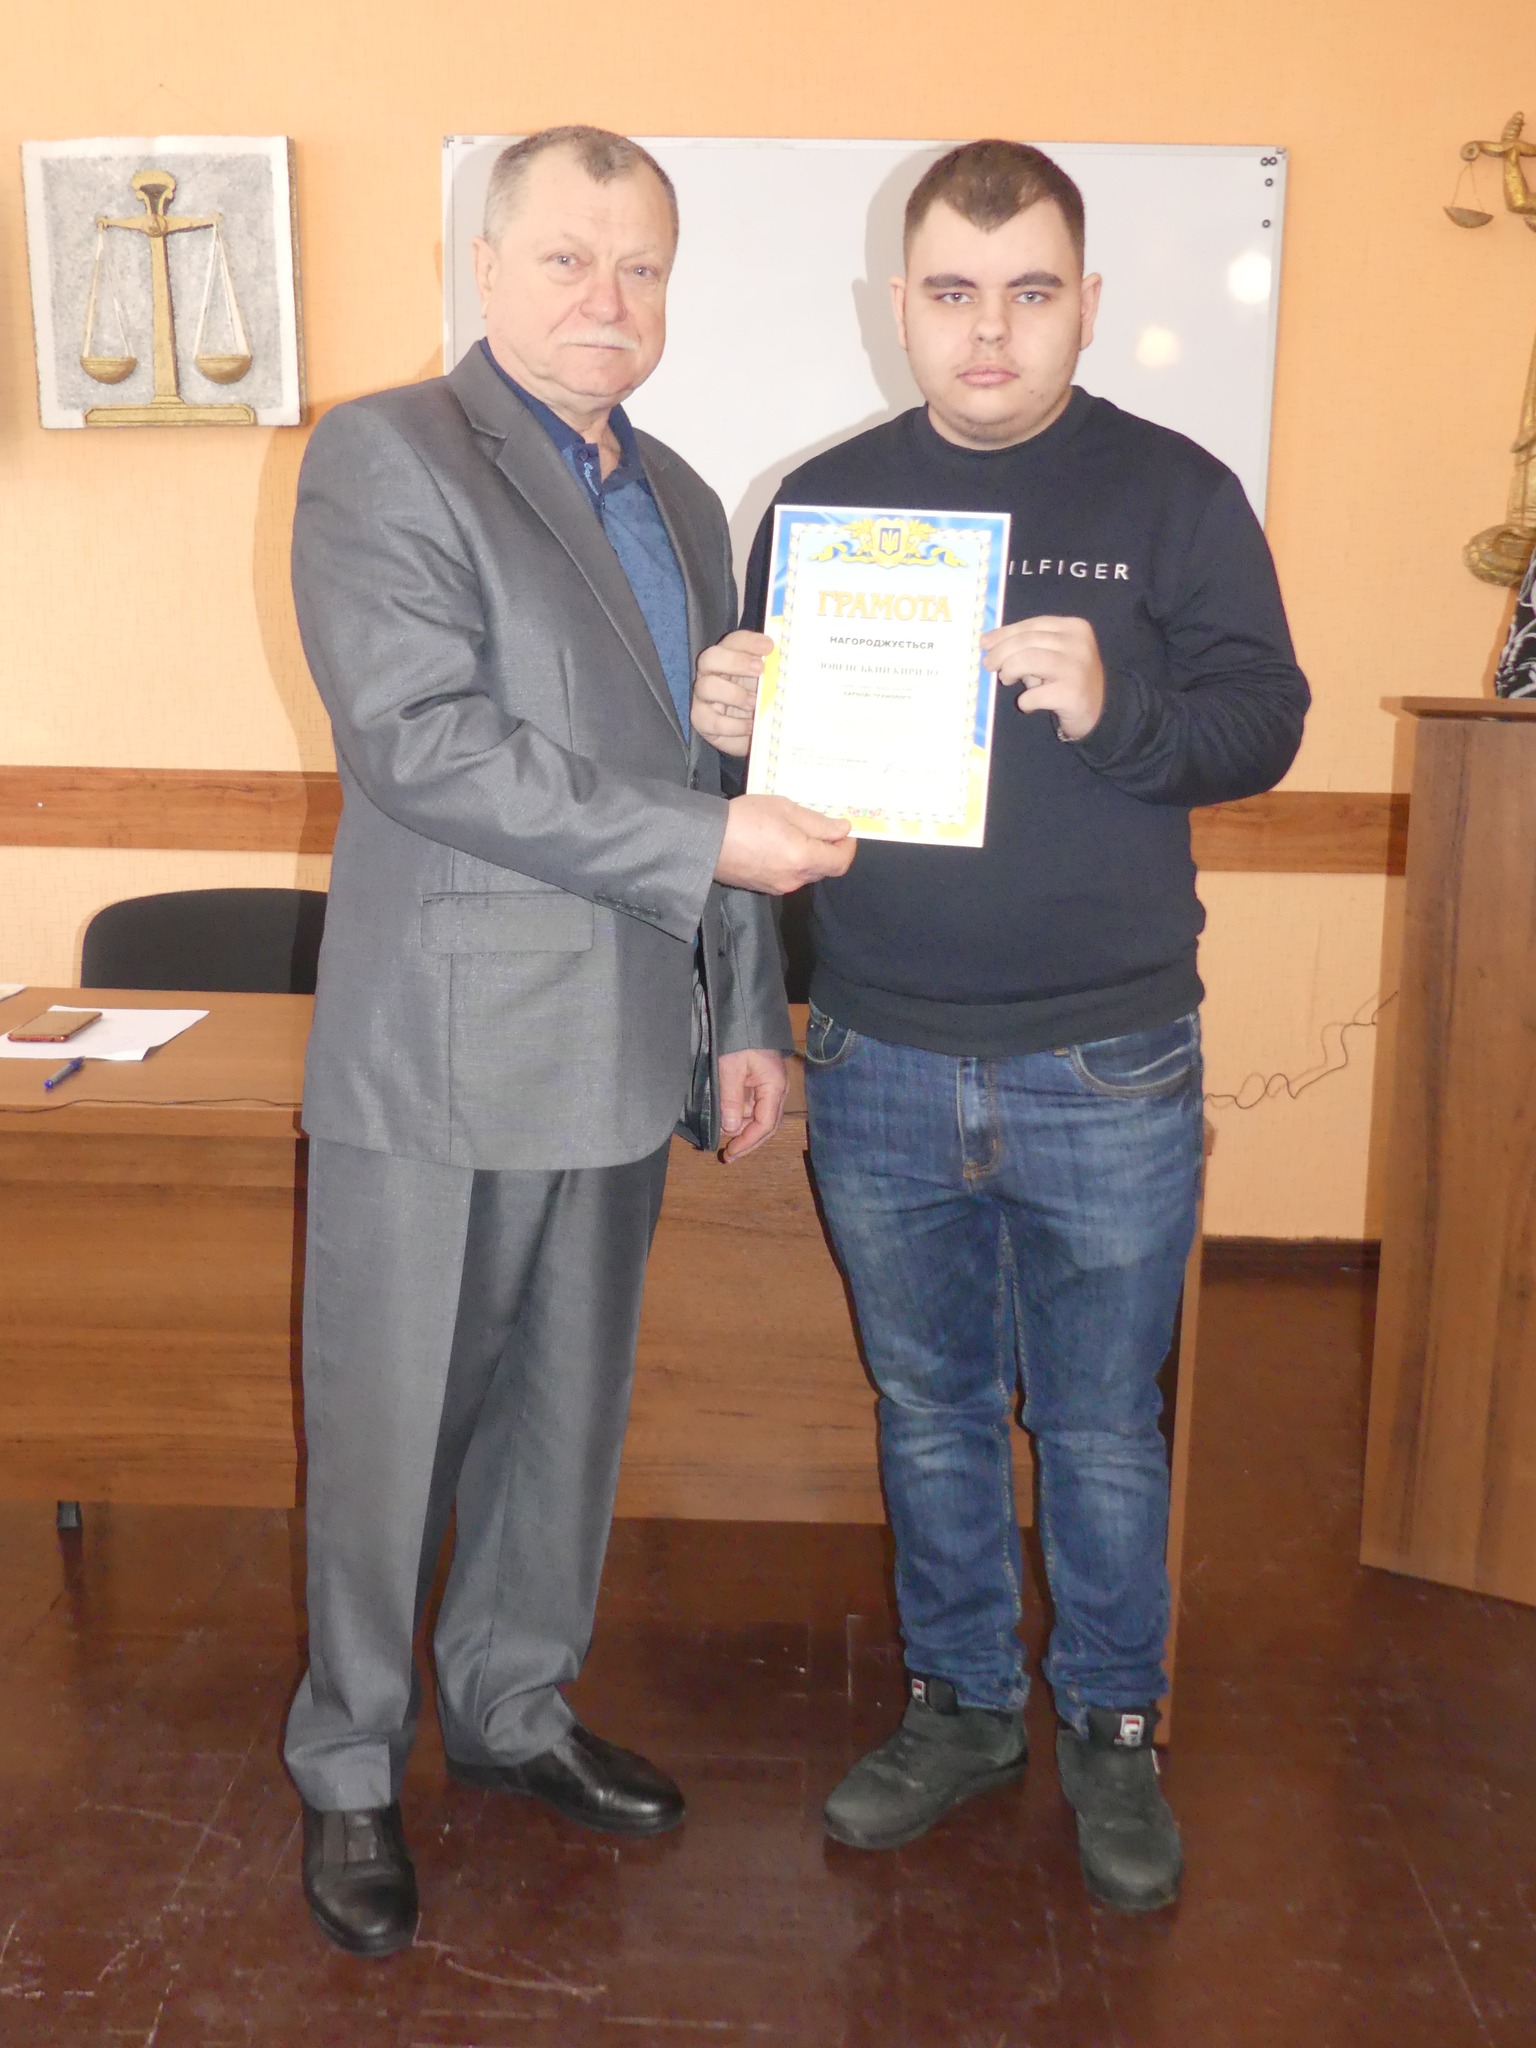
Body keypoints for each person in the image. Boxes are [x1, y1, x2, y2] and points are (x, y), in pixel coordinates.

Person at [692, 139, 1308, 1913]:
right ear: (899, 306)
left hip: (1107, 1056)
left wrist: (1118, 706)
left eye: (1030, 293)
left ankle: (1113, 1727)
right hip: (876, 1042)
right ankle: (962, 1707)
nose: (990, 330)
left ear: (1086, 305)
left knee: (1102, 1424)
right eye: (954, 294)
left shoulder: (1176, 491)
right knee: (931, 1407)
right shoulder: (821, 503)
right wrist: (727, 719)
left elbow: (1265, 726)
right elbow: (771, 796)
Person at [284, 124, 853, 1958]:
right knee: (391, 1430)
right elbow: (424, 743)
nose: (610, 298)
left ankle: (512, 1706)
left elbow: (709, 763)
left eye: (644, 267)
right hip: (441, 1045)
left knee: (564, 1417)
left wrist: (742, 1008)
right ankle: (349, 1762)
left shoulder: (682, 494)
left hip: (624, 1033)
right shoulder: (385, 452)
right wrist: (715, 845)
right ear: (485, 267)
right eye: (567, 259)